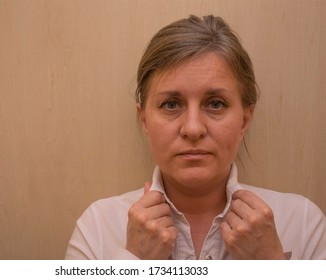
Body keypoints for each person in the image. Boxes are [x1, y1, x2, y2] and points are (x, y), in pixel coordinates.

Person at [65, 15, 326, 260]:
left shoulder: (302, 223)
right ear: (144, 118)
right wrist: (133, 263)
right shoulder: (98, 227)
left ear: (245, 119)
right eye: (170, 104)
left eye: (215, 104)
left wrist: (271, 267)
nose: (192, 128)